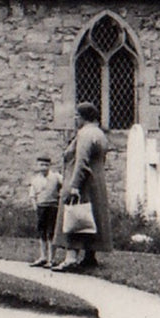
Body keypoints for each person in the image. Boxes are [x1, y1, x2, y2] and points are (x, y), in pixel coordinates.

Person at [52, 102, 112, 271]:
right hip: (95, 183)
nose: (75, 119)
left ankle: (71, 258)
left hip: (83, 184)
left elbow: (81, 162)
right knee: (91, 218)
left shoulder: (85, 134)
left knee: (75, 218)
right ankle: (89, 256)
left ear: (85, 117)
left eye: (77, 116)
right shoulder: (99, 134)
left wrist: (74, 186)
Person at [28, 154, 62, 268]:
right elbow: (32, 195)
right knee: (42, 232)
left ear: (50, 166)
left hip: (53, 207)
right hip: (41, 207)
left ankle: (51, 259)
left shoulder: (56, 177)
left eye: (46, 165)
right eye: (41, 165)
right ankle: (43, 256)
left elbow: (63, 187)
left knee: (51, 232)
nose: (44, 167)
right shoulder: (35, 180)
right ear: (37, 166)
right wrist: (35, 206)